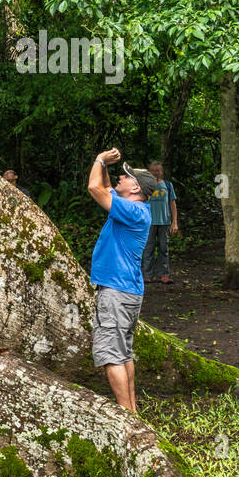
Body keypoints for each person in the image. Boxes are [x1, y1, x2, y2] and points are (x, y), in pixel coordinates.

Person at [86, 149, 156, 413]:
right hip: (128, 290)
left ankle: (126, 415)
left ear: (135, 188)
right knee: (124, 352)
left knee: (111, 354)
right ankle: (132, 410)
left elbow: (94, 188)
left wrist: (100, 160)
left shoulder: (132, 211)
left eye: (125, 177)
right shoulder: (133, 209)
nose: (120, 177)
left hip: (116, 291)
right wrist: (104, 167)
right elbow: (104, 185)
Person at [141, 161, 178, 284]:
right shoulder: (144, 185)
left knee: (164, 249)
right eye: (153, 170)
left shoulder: (167, 185)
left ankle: (164, 275)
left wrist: (175, 222)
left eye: (158, 170)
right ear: (149, 171)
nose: (156, 173)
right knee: (148, 249)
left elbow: (172, 203)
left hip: (164, 222)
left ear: (161, 171)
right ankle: (147, 275)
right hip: (149, 222)